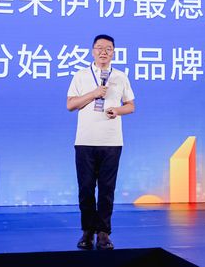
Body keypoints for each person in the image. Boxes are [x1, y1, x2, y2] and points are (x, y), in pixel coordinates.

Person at [66, 34, 135, 250]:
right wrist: (94, 93)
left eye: (108, 48)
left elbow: (131, 105)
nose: (103, 52)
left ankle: (104, 233)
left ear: (113, 52)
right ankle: (87, 231)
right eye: (99, 48)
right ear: (92, 51)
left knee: (107, 189)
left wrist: (118, 110)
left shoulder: (121, 77)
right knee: (86, 188)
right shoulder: (81, 75)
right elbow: (70, 105)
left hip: (111, 140)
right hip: (85, 140)